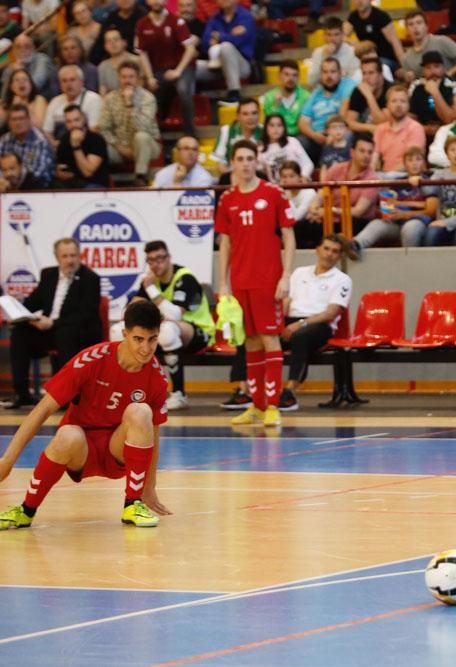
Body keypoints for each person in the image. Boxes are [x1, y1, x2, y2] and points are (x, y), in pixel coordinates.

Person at [0, 300, 173, 531]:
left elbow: (154, 434)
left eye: (152, 339)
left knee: (141, 412)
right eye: (138, 339)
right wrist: (7, 461)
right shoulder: (91, 360)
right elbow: (42, 410)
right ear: (124, 334)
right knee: (67, 434)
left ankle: (132, 504)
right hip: (79, 450)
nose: (146, 348)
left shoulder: (157, 378)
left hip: (117, 451)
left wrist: (150, 487)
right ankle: (26, 510)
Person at [215, 139, 296, 427]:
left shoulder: (273, 193)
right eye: (240, 158)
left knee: (269, 338)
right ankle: (257, 406)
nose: (246, 163)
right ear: (233, 163)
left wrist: (286, 276)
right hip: (240, 281)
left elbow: (288, 236)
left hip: (268, 279)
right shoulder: (227, 199)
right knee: (249, 341)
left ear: (257, 161)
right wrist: (222, 283)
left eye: (251, 157)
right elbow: (224, 243)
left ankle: (273, 406)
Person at [2, 238, 102, 409]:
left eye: (73, 255)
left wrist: (53, 323)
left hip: (79, 332)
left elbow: (85, 315)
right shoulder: (48, 275)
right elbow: (34, 303)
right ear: (57, 258)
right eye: (65, 256)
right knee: (20, 333)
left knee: (65, 332)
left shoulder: (90, 278)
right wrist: (22, 311)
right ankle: (22, 394)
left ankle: (66, 395)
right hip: (52, 331)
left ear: (80, 256)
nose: (70, 260)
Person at [130, 241, 213, 411]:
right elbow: (132, 310)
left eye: (160, 258)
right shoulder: (151, 281)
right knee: (125, 332)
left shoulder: (184, 278)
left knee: (167, 330)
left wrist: (151, 290)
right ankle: (135, 393)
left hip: (199, 333)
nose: (156, 264)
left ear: (169, 258)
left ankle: (179, 394)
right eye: (151, 260)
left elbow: (175, 315)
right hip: (168, 334)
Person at [278, 235, 353, 411]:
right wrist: (277, 323)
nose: (329, 254)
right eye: (326, 249)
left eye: (335, 251)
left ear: (340, 256)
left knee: (300, 337)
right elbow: (286, 301)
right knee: (259, 335)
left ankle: (290, 392)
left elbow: (330, 313)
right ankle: (248, 392)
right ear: (317, 250)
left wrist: (301, 324)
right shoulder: (299, 273)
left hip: (319, 325)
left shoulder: (342, 280)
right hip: (291, 321)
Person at [353, 147, 438, 251]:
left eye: (418, 159)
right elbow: (386, 206)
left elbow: (431, 211)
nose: (414, 163)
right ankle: (355, 245)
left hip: (418, 222)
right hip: (396, 223)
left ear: (424, 163)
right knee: (377, 224)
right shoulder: (397, 182)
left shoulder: (430, 181)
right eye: (410, 160)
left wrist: (404, 212)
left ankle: (410, 263)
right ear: (405, 164)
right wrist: (387, 214)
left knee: (410, 228)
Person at [99, 61, 161, 186]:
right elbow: (104, 128)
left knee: (141, 137)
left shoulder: (147, 98)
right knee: (98, 145)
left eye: (131, 77)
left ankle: (140, 177)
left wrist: (129, 104)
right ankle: (100, 182)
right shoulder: (110, 98)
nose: (127, 80)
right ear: (119, 78)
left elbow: (142, 127)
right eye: (123, 77)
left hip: (148, 146)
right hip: (119, 146)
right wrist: (120, 147)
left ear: (138, 79)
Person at [313, 133, 379, 249]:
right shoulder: (336, 169)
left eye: (369, 152)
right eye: (362, 151)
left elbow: (358, 211)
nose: (366, 156)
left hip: (356, 222)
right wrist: (314, 209)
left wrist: (329, 211)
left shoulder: (372, 179)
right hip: (332, 219)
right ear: (352, 152)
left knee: (352, 224)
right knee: (302, 227)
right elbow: (321, 193)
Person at [298, 57, 356, 162]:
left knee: (347, 137)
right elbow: (303, 122)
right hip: (317, 135)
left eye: (333, 71)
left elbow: (343, 112)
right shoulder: (315, 94)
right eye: (325, 72)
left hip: (338, 131)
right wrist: (314, 135)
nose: (329, 76)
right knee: (299, 142)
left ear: (340, 73)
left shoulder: (347, 85)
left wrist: (332, 132)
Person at [201, 0, 256, 103]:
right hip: (217, 64)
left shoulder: (246, 17)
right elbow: (205, 42)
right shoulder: (214, 18)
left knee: (226, 47)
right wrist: (230, 35)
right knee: (193, 66)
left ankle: (234, 92)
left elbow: (239, 41)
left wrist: (219, 37)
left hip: (241, 65)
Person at [43, 65, 103, 146]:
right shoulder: (55, 101)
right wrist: (55, 145)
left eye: (72, 80)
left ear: (81, 82)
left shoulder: (93, 99)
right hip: (58, 146)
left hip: (85, 145)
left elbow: (94, 131)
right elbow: (47, 131)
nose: (68, 84)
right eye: (64, 81)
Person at [400, 10, 456, 83]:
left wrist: (450, 73)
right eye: (411, 24)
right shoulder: (407, 57)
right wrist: (409, 78)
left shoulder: (441, 41)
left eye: (419, 23)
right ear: (407, 30)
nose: (415, 27)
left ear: (426, 26)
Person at [373, 85, 426, 173]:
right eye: (394, 101)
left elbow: (412, 161)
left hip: (408, 178)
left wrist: (386, 176)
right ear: (387, 105)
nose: (398, 105)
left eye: (403, 101)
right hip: (384, 179)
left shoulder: (416, 128)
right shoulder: (380, 129)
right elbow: (374, 158)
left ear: (409, 105)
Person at [54, 104, 109, 189]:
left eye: (76, 120)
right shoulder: (64, 139)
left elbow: (87, 173)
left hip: (94, 184)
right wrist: (61, 174)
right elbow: (59, 166)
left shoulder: (96, 140)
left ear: (83, 119)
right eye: (69, 121)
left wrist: (76, 146)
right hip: (71, 182)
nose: (73, 125)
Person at [408, 51, 456, 137]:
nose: (433, 71)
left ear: (444, 68)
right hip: (421, 131)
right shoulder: (416, 86)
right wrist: (422, 128)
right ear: (423, 70)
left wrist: (435, 92)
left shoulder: (453, 86)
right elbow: (410, 117)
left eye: (436, 67)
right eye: (428, 68)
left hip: (448, 131)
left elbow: (451, 120)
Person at [0, 104, 54, 186]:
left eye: (21, 119)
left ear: (29, 120)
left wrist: (13, 180)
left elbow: (38, 173)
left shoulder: (40, 141)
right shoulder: (4, 140)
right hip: (6, 185)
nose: (18, 123)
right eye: (14, 119)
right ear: (9, 123)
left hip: (36, 189)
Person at [261, 60, 310, 139]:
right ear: (280, 75)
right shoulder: (269, 97)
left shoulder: (306, 97)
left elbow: (306, 123)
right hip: (276, 136)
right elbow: (269, 124)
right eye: (287, 74)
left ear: (298, 77)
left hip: (298, 136)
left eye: (294, 75)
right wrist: (276, 106)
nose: (291, 78)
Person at [308, 16, 359, 88]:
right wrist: (324, 58)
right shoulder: (318, 52)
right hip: (325, 94)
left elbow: (355, 81)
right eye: (329, 35)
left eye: (336, 34)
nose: (332, 39)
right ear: (324, 36)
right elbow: (311, 82)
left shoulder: (352, 52)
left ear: (342, 35)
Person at [0, 67, 47, 132]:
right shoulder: (5, 103)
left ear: (31, 85)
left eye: (25, 79)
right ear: (11, 87)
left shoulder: (38, 99)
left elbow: (39, 127)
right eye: (17, 80)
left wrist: (23, 105)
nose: (21, 82)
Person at [96, 27, 140, 94]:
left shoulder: (137, 61)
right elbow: (103, 92)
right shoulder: (102, 66)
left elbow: (141, 88)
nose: (112, 43)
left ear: (124, 42)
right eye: (108, 41)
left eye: (116, 39)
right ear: (105, 46)